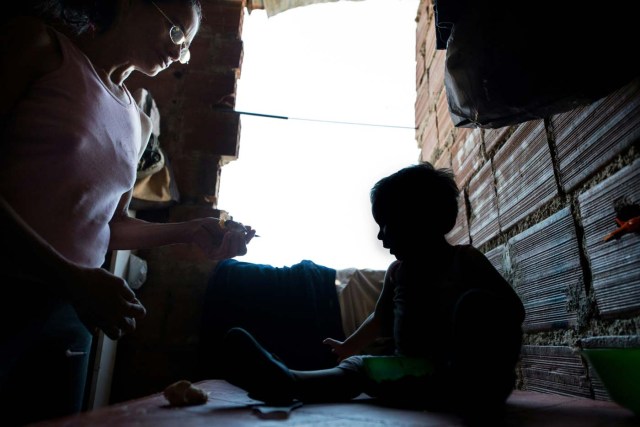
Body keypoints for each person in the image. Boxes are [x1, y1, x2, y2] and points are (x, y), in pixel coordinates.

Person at [0, 1, 255, 424]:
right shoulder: (40, 48)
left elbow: (110, 225)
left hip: (72, 310)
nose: (179, 54)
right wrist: (70, 276)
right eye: (177, 33)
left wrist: (191, 230)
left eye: (187, 47)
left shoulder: (138, 122)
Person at [221, 163, 525, 421]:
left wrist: (474, 325)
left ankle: (475, 388)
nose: (380, 236)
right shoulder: (398, 273)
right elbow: (380, 319)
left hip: (471, 380)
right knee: (359, 368)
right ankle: (289, 381)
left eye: (387, 225)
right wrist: (348, 347)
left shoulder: (465, 260)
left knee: (477, 304)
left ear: (421, 222)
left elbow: (513, 310)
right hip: (416, 374)